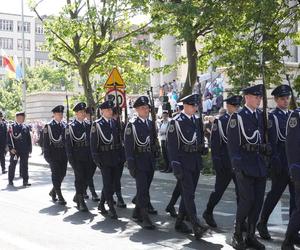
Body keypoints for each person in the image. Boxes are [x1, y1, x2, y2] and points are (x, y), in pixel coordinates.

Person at [227, 84, 269, 250]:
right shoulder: (237, 117)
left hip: (259, 165)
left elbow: (265, 138)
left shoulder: (261, 116)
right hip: (244, 165)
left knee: (258, 202)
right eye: (256, 97)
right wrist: (237, 166)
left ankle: (251, 235)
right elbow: (232, 145)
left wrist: (268, 149)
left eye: (260, 97)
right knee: (246, 201)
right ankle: (237, 234)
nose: (259, 100)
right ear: (247, 97)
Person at [257, 85, 296, 240]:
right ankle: (262, 222)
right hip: (280, 161)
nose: (285, 101)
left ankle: (293, 231)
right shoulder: (272, 117)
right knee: (275, 195)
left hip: (293, 163)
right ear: (276, 99)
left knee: (296, 198)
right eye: (282, 99)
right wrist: (274, 160)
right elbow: (272, 141)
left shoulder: (293, 115)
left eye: (287, 98)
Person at [167, 93, 207, 240]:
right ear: (185, 106)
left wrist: (203, 147)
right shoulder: (176, 121)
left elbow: (199, 138)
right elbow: (172, 146)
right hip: (183, 163)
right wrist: (175, 164)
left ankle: (179, 222)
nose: (195, 108)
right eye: (192, 105)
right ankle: (196, 224)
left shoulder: (196, 120)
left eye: (196, 105)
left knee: (188, 193)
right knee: (188, 194)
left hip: (195, 161)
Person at [203, 95, 242, 228]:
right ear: (228, 106)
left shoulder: (240, 120)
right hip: (225, 164)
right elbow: (215, 144)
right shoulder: (220, 122)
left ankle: (241, 221)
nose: (237, 108)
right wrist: (217, 162)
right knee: (218, 191)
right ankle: (208, 212)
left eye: (238, 106)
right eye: (235, 106)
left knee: (241, 193)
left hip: (238, 164)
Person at [124, 96, 157, 229]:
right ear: (137, 109)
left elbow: (153, 141)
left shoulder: (150, 123)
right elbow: (128, 146)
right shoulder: (132, 125)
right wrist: (131, 164)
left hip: (149, 161)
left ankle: (137, 211)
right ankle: (144, 216)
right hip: (138, 162)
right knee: (142, 190)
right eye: (143, 108)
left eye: (147, 107)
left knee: (145, 188)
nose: (146, 109)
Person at [90, 101, 124, 219]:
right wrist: (96, 159)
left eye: (111, 109)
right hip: (104, 158)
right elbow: (93, 144)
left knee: (113, 183)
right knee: (107, 183)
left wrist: (121, 156)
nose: (111, 111)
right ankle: (111, 207)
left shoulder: (114, 123)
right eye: (108, 110)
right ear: (102, 111)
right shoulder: (97, 124)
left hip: (115, 157)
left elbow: (119, 141)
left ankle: (101, 204)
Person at [65, 102, 90, 212]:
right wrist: (71, 159)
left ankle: (78, 195)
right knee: (79, 179)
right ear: (76, 113)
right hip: (77, 157)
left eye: (84, 111)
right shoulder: (71, 127)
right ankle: (81, 200)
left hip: (88, 156)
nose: (83, 113)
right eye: (81, 112)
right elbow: (68, 145)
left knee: (87, 178)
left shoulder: (88, 125)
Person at [43, 105, 68, 205]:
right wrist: (46, 155)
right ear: (54, 115)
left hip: (63, 154)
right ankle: (59, 195)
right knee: (56, 175)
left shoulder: (64, 125)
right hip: (53, 154)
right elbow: (45, 142)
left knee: (63, 174)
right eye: (58, 114)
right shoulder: (48, 126)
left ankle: (53, 191)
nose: (60, 115)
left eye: (61, 114)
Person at [283, 107, 300, 250]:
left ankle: (293, 236)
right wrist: (294, 170)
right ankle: (287, 241)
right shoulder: (296, 116)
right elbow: (291, 145)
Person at [7, 111, 32, 187]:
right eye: (21, 117)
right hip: (15, 150)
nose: (22, 119)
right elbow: (8, 139)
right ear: (17, 118)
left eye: (23, 118)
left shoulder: (26, 127)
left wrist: (29, 149)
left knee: (25, 165)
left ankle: (25, 181)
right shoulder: (12, 127)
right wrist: (11, 148)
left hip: (24, 150)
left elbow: (28, 139)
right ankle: (10, 180)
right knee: (12, 165)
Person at [84, 106, 100, 202]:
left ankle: (83, 190)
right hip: (86, 153)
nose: (91, 116)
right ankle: (93, 193)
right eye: (89, 114)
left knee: (90, 173)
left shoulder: (96, 125)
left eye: (92, 114)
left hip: (94, 153)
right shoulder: (84, 125)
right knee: (88, 174)